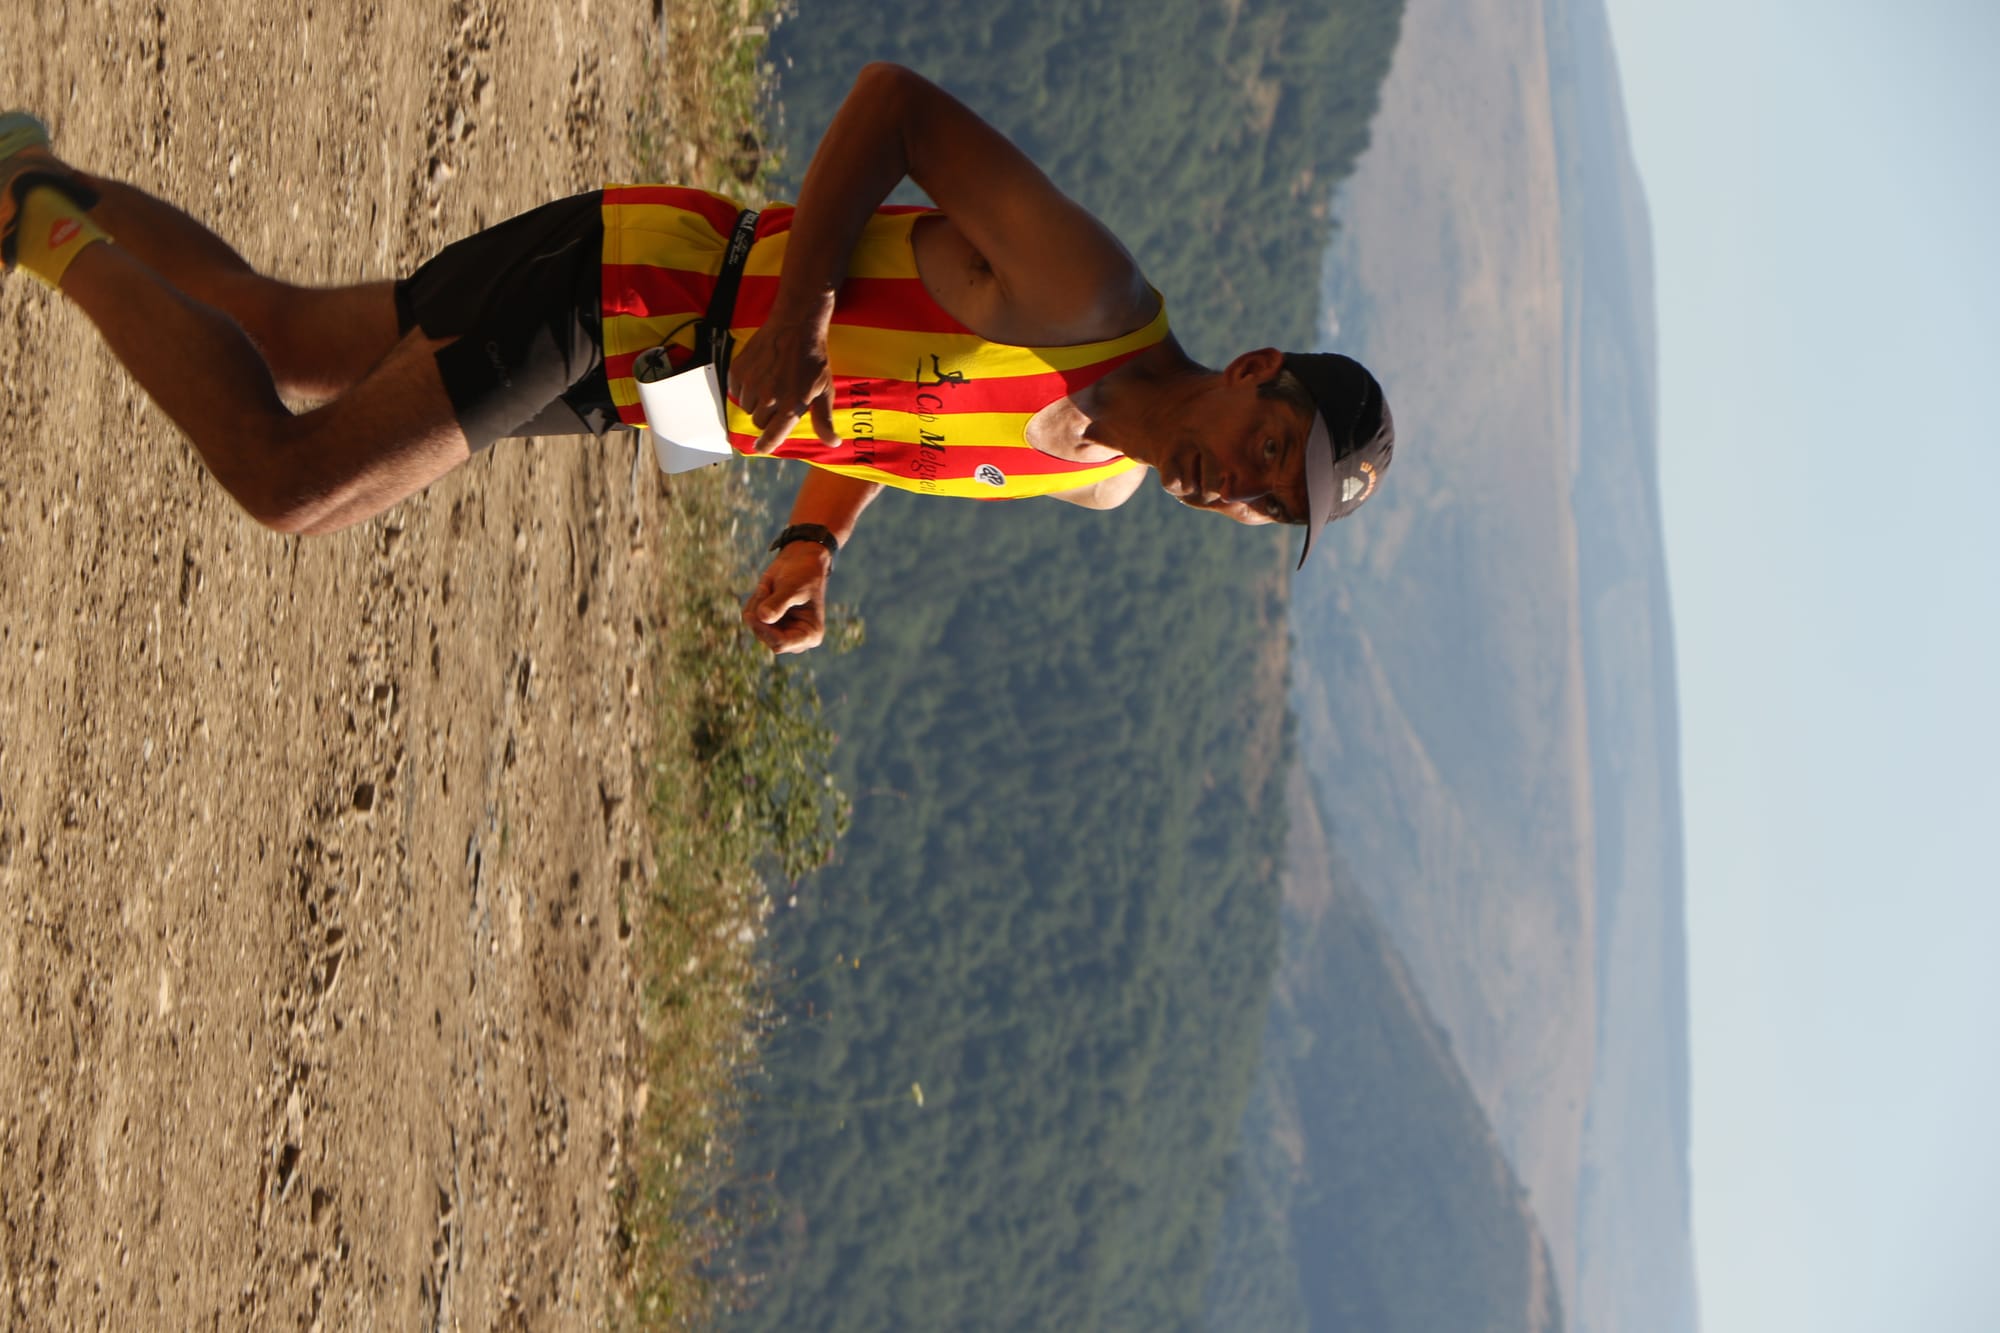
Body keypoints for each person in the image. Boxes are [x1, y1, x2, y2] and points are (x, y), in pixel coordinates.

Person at [0, 62, 1393, 655]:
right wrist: (795, 325)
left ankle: (37, 169)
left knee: (292, 338)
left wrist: (814, 545)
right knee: (296, 481)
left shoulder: (1099, 486)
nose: (1245, 487)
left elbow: (885, 433)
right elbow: (892, 106)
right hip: (641, 282)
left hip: (654, 378)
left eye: (1275, 504)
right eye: (1274, 448)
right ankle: (28, 223)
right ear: (1253, 364)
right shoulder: (1088, 287)